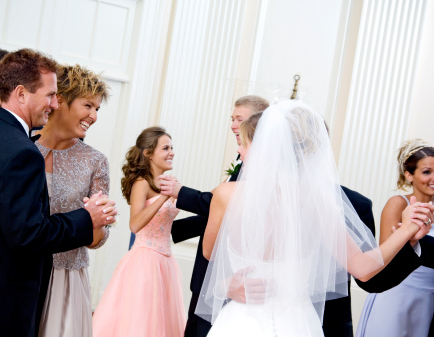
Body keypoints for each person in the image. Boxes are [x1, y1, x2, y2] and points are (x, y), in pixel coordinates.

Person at [194, 100, 433, 337]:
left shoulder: (225, 195)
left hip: (240, 323)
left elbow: (210, 254)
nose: (239, 150)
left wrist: (226, 284)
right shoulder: (316, 202)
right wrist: (406, 230)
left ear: (264, 147)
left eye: (244, 144)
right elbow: (363, 268)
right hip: (297, 323)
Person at [0, 49, 117, 337]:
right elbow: (28, 234)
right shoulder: (23, 153)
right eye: (50, 94)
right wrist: (86, 218)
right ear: (22, 94)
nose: (55, 103)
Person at [159, 94, 269, 337]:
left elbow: (223, 205)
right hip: (216, 271)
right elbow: (221, 209)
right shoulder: (243, 159)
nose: (232, 124)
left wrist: (181, 193)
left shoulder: (258, 168)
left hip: (229, 273)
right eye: (232, 118)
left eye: (238, 119)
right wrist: (174, 228)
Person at [35, 64, 111, 337]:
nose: (93, 116)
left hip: (66, 278)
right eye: (88, 105)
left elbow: (97, 240)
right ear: (61, 100)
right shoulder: (24, 148)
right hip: (22, 274)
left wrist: (98, 221)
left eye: (97, 109)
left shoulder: (96, 162)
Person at [92, 127, 185, 337]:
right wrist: (164, 197)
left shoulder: (166, 182)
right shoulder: (141, 183)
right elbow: (134, 225)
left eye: (172, 148)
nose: (171, 152)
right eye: (166, 148)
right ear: (148, 153)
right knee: (142, 321)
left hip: (166, 262)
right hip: (145, 262)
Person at [356, 139, 434, 337]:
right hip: (398, 291)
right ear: (409, 175)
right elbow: (384, 254)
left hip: (427, 300)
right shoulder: (398, 203)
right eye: (427, 172)